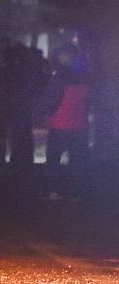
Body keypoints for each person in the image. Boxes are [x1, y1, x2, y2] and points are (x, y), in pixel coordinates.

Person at [39, 45, 90, 196]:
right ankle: (78, 192)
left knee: (53, 160)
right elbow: (89, 100)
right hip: (79, 124)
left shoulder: (59, 77)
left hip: (60, 123)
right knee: (77, 161)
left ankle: (52, 191)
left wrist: (44, 113)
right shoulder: (85, 75)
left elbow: (51, 99)